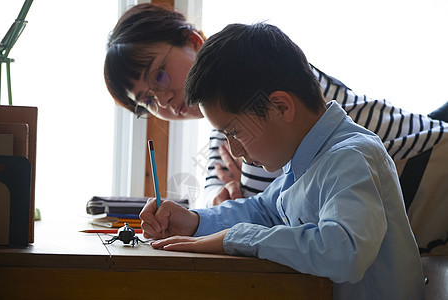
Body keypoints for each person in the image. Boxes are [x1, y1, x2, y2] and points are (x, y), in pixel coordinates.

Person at [104, 3, 448, 254]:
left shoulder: (277, 90)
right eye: (147, 101)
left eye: (159, 75)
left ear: (193, 41)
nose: (162, 100)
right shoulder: (236, 122)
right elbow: (267, 205)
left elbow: (309, 232)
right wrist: (196, 219)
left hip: (431, 161)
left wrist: (230, 233)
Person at [140, 23, 425, 299]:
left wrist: (237, 238)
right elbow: (263, 210)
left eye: (235, 132)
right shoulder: (303, 161)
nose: (234, 149)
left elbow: (344, 252)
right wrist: (193, 221)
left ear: (280, 107)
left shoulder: (349, 157)